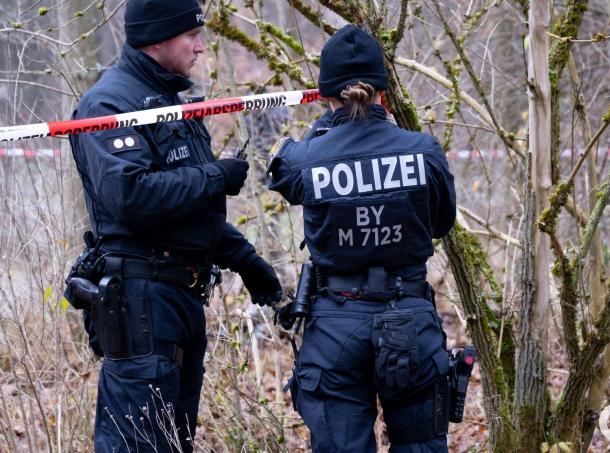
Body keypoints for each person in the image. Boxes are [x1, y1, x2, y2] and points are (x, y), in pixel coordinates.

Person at [66, 0, 282, 451]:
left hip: (180, 300)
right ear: (157, 39)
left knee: (174, 441)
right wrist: (215, 175)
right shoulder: (108, 103)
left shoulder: (166, 101)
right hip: (141, 303)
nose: (201, 47)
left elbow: (190, 210)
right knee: (137, 443)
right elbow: (132, 198)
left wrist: (246, 261)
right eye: (192, 36)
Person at [266, 25, 457, 452]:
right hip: (409, 314)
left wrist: (328, 125)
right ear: (384, 94)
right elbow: (441, 223)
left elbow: (278, 169)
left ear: (327, 97)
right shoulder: (423, 151)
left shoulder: (308, 158)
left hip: (336, 324)